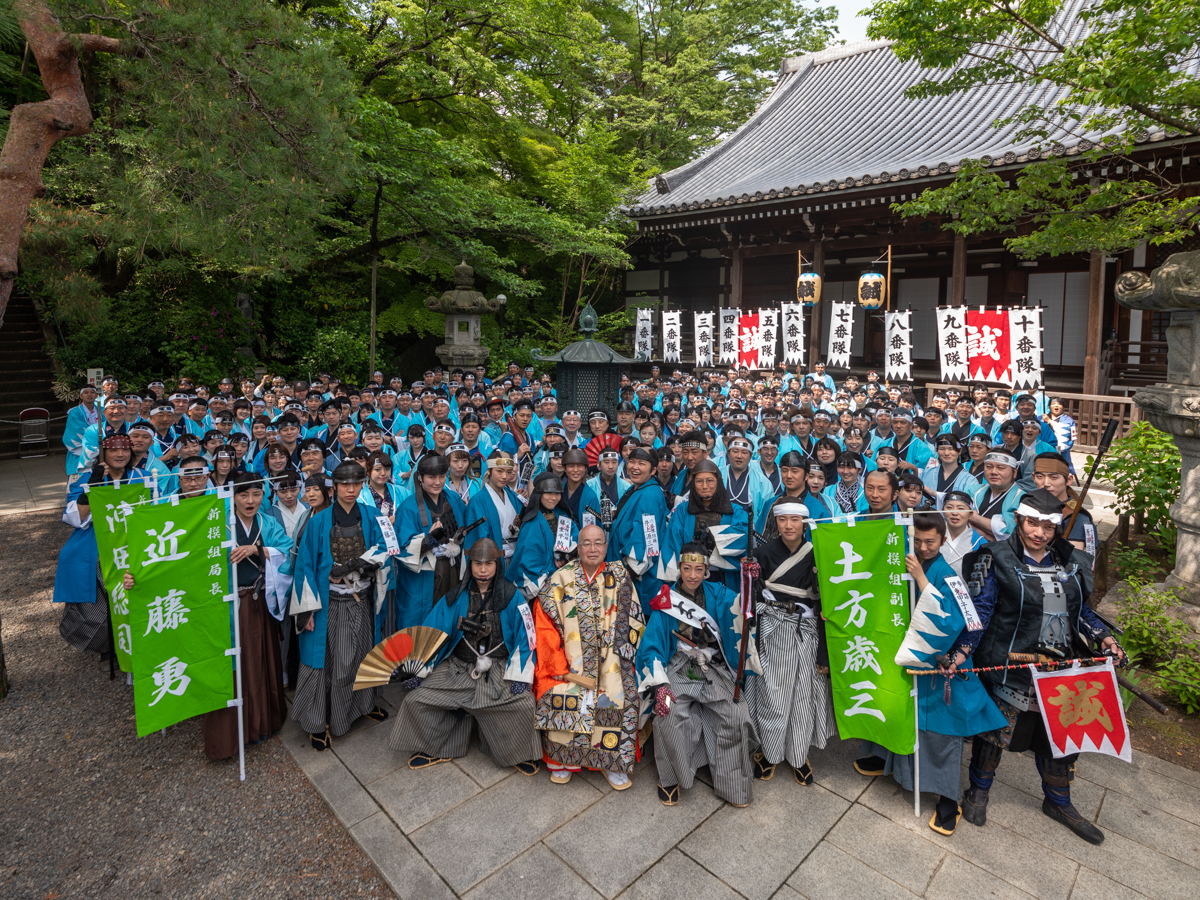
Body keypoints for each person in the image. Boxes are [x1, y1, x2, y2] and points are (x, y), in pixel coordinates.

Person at [958, 489, 1125, 844]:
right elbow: (980, 614)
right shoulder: (995, 557)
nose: (1040, 533)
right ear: (1019, 520)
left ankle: (1059, 802)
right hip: (1011, 664)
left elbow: (1083, 613)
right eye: (1033, 523)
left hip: (1060, 671)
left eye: (1049, 527)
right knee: (995, 735)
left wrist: (1105, 638)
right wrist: (961, 653)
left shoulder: (1072, 561)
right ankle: (978, 791)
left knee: (1060, 739)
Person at [853, 513, 1006, 835]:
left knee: (939, 735)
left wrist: (922, 579)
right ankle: (889, 764)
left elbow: (958, 621)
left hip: (938, 663)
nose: (923, 547)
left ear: (942, 539)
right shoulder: (903, 562)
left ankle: (949, 800)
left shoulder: (948, 575)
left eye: (930, 542)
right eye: (918, 541)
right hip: (904, 658)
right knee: (897, 714)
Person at [389, 539, 542, 774]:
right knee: (416, 699)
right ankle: (436, 745)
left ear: (497, 564)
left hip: (498, 669)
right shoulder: (454, 597)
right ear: (469, 565)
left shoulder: (513, 597)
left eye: (489, 563)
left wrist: (521, 677)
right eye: (477, 564)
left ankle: (515, 751)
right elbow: (434, 633)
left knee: (523, 704)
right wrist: (418, 670)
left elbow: (526, 637)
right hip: (458, 668)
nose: (483, 569)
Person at [638, 539, 757, 807]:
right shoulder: (666, 600)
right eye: (687, 568)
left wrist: (750, 584)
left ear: (706, 571)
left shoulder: (718, 593)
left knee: (736, 713)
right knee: (666, 710)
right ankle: (669, 778)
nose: (692, 575)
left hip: (712, 667)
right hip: (679, 668)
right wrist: (660, 686)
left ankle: (733, 784)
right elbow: (652, 645)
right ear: (679, 567)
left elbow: (742, 608)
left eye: (698, 570)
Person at [289, 461, 393, 751]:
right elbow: (305, 567)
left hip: (363, 599)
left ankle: (362, 705)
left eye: (356, 484)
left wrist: (372, 563)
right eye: (344, 484)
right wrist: (306, 610)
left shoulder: (373, 516)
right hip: (330, 603)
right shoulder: (319, 522)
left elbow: (387, 551)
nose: (350, 489)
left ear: (362, 486)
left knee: (363, 656)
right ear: (333, 488)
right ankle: (317, 721)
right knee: (327, 663)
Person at [533, 524, 645, 789]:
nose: (592, 548)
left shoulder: (619, 575)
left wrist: (619, 657)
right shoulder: (560, 579)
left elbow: (633, 618)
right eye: (586, 543)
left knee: (621, 691)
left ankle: (611, 762)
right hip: (570, 662)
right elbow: (544, 625)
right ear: (578, 548)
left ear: (606, 547)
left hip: (611, 658)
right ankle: (563, 759)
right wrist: (558, 665)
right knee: (559, 689)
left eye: (598, 543)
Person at [745, 502, 834, 785]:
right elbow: (753, 598)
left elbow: (825, 600)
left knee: (802, 696)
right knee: (773, 694)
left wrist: (824, 653)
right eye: (783, 520)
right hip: (772, 629)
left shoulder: (818, 553)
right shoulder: (760, 554)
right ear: (776, 522)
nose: (789, 526)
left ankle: (798, 754)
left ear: (805, 523)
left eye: (795, 520)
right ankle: (769, 753)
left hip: (806, 630)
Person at [52, 434, 150, 656]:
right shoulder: (89, 477)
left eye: (125, 450)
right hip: (96, 542)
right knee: (99, 606)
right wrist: (92, 487)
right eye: (114, 450)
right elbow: (74, 519)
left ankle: (141, 643)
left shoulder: (143, 477)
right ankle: (108, 648)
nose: (120, 454)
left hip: (134, 543)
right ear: (103, 454)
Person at [394, 453, 470, 631]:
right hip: (424, 577)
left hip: (453, 569)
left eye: (442, 476)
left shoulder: (453, 499)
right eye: (431, 477)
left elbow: (465, 528)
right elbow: (402, 548)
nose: (437, 482)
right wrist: (428, 540)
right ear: (419, 477)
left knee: (450, 618)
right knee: (420, 626)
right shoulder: (408, 507)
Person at [659, 460, 747, 592]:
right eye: (699, 481)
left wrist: (713, 538)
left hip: (723, 577)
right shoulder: (683, 511)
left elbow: (744, 540)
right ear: (693, 484)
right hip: (689, 576)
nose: (705, 486)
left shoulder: (736, 512)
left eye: (710, 481)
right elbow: (672, 544)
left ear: (718, 481)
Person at [607, 446, 671, 615]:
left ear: (653, 470)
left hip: (638, 580)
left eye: (641, 463)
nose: (634, 467)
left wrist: (626, 579)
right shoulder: (637, 488)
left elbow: (645, 539)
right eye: (631, 462)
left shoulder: (649, 494)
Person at [507, 471, 579, 599]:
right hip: (544, 584)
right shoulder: (532, 523)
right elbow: (529, 559)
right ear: (538, 494)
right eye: (549, 493)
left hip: (566, 576)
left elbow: (576, 538)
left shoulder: (563, 516)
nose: (553, 498)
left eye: (557, 493)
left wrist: (565, 557)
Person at [1032, 452, 1097, 558]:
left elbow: (1076, 560)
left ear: (1069, 480)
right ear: (1033, 478)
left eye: (1054, 477)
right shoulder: (1030, 507)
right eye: (1040, 476)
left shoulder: (1078, 517)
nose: (1046, 483)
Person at [940, 490, 986, 576]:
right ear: (943, 512)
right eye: (949, 507)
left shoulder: (980, 542)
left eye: (961, 508)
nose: (954, 513)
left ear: (971, 514)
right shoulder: (934, 535)